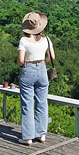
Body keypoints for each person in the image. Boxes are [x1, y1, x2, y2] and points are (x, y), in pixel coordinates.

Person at [17, 11, 55, 145]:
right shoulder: (47, 39)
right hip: (42, 69)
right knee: (42, 103)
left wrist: (24, 64)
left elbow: (21, 60)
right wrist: (44, 61)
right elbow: (52, 57)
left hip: (28, 69)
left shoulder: (23, 40)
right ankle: (41, 134)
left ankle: (27, 137)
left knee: (27, 104)